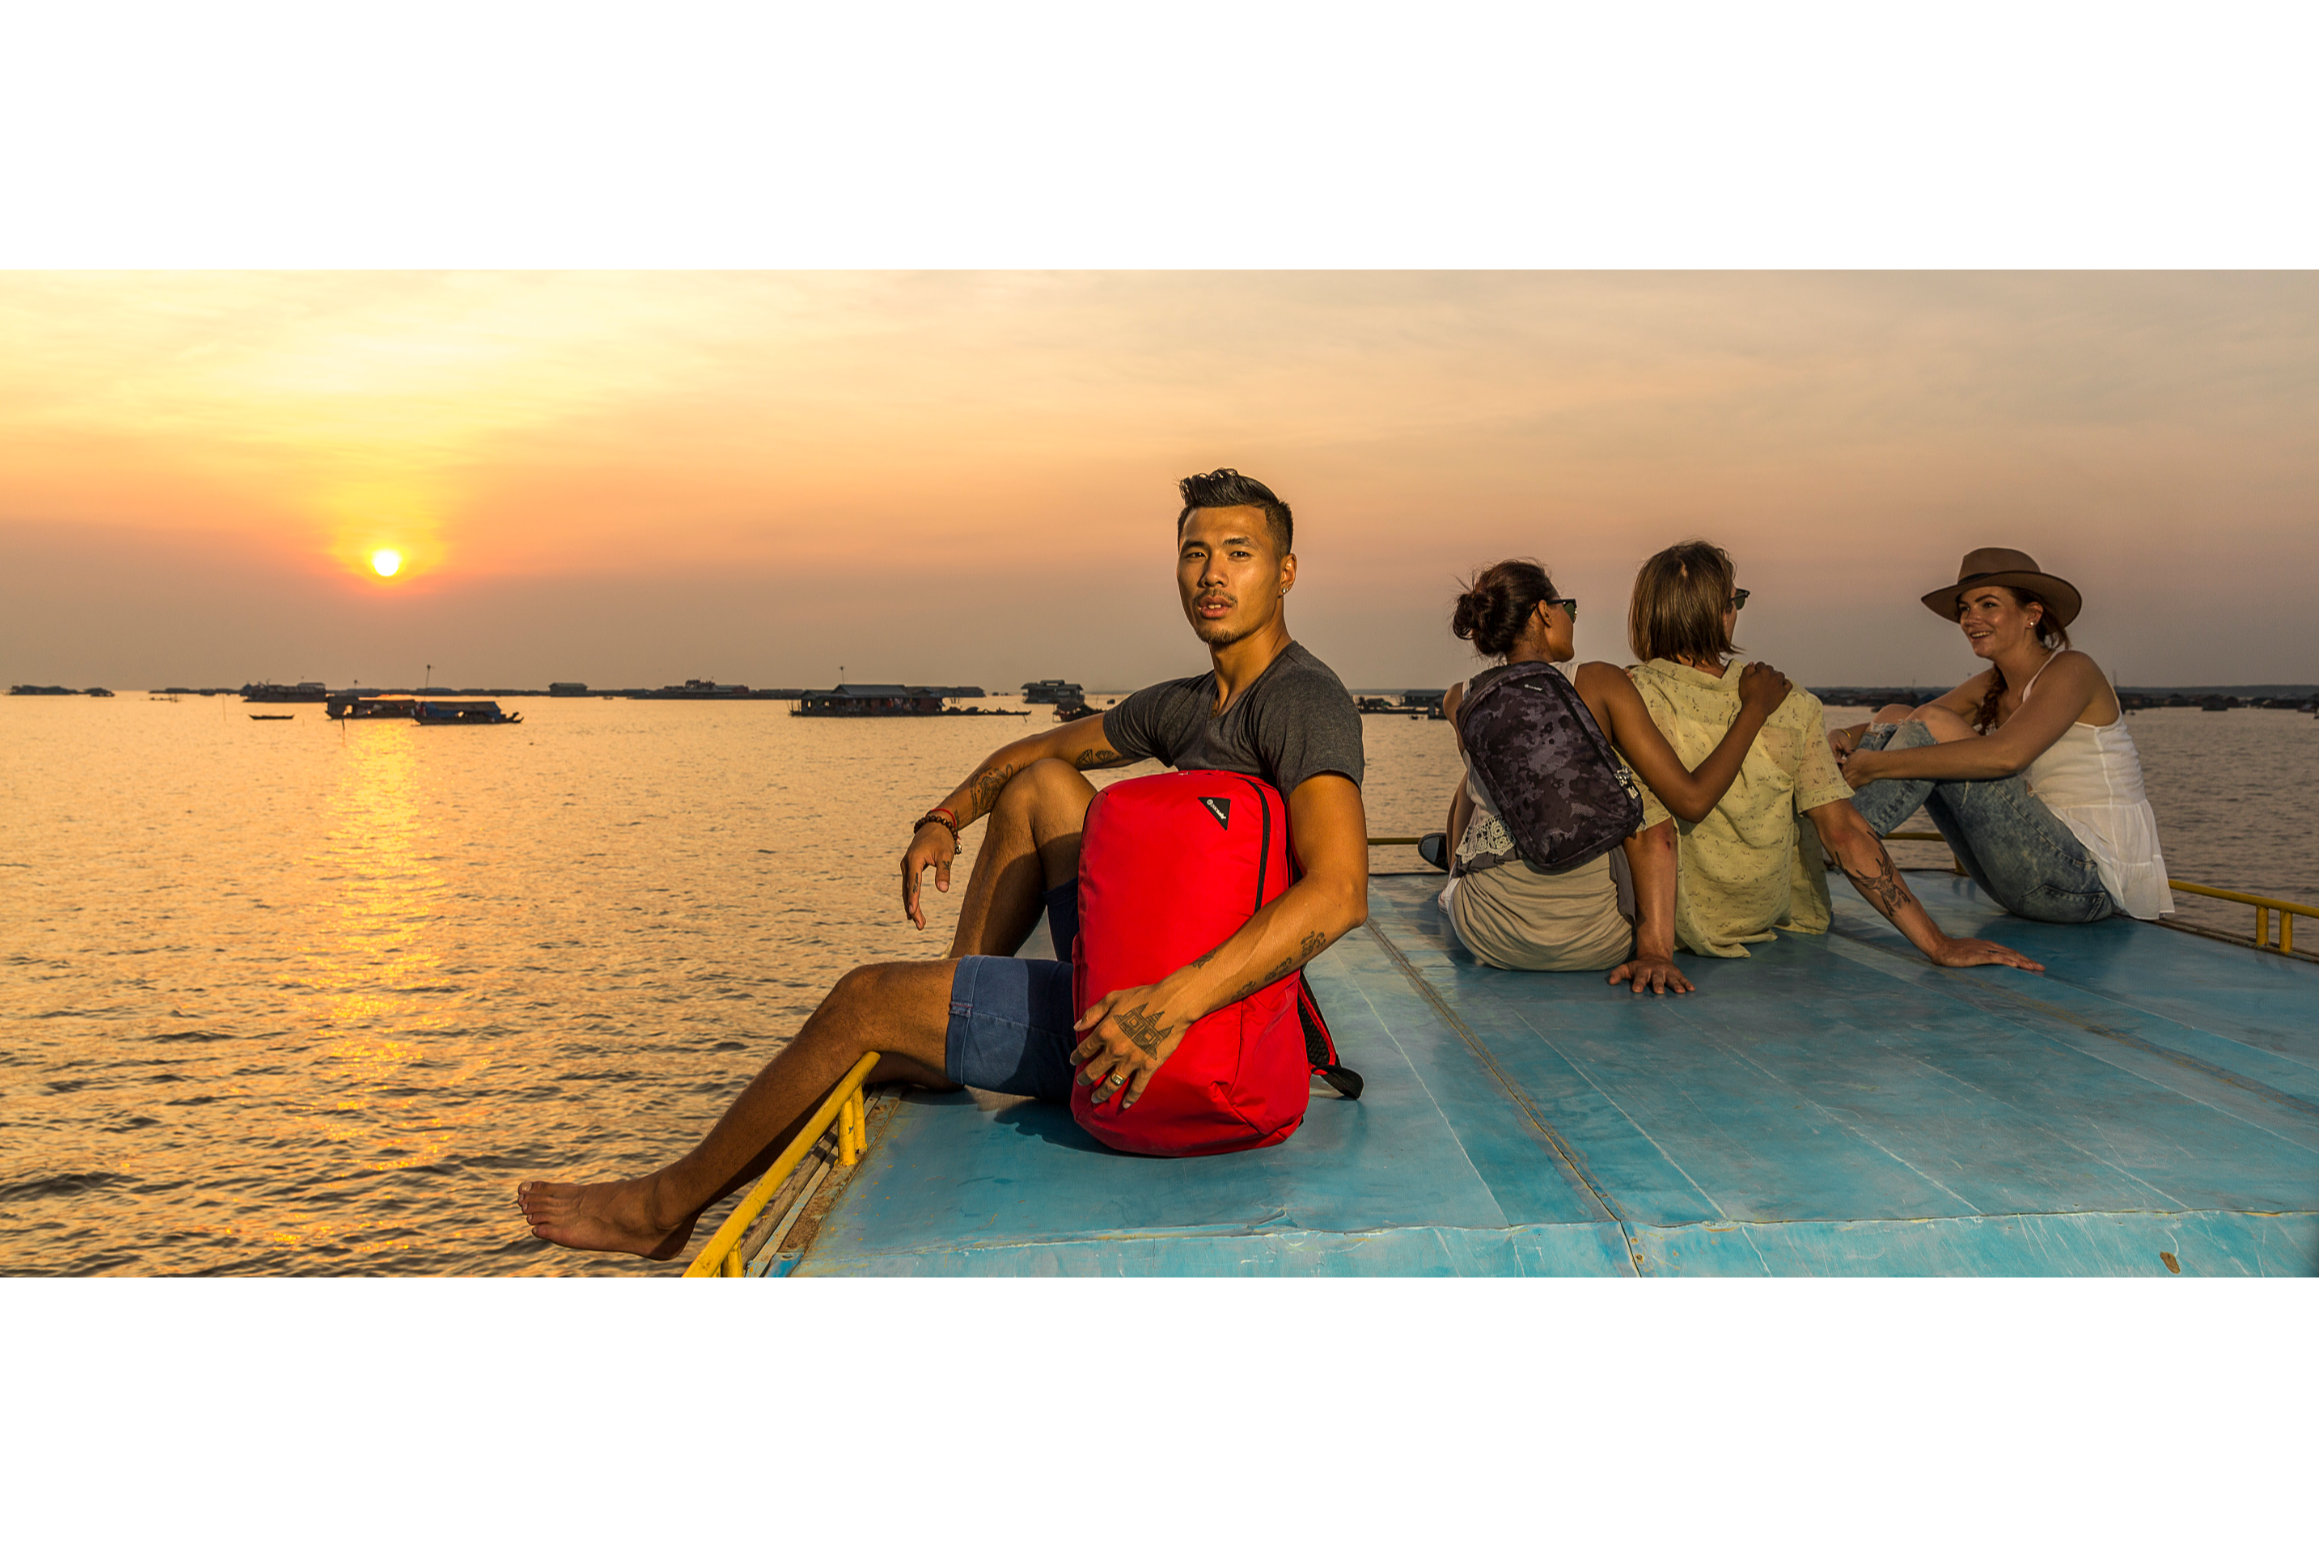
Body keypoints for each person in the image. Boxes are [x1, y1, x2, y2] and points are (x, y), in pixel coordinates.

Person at [516, 469, 1369, 1259]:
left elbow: (1340, 893)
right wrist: (944, 816)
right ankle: (957, 1005)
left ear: (1285, 572)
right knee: (1040, 785)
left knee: (865, 1000)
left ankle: (661, 1209)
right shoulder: (1189, 702)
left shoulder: (1302, 699)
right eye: (1195, 553)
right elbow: (1038, 749)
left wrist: (1166, 1006)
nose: (1212, 574)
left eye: (1239, 554)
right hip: (1141, 972)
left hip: (1190, 1031)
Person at [1626, 539, 2041, 971]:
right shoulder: (1789, 702)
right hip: (1760, 920)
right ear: (1722, 611)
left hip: (1662, 927)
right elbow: (1842, 831)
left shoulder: (1630, 696)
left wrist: (1653, 948)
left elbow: (1652, 832)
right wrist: (1937, 944)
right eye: (1737, 600)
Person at [1426, 559, 1794, 992]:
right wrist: (1755, 708)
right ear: (1546, 612)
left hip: (1485, 931)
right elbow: (1691, 800)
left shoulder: (1460, 699)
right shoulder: (1600, 682)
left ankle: (1449, 875)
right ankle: (1656, 947)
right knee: (1636, 798)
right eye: (1570, 610)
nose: (1571, 621)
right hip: (1597, 938)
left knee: (1477, 774)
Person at [1831, 547, 2172, 924]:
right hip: (2022, 873)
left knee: (1931, 722)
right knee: (1897, 715)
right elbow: (1903, 721)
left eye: (1987, 604)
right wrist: (1846, 733)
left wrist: (1876, 765)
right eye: (1965, 608)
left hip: (2088, 883)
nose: (1970, 618)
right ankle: (1832, 838)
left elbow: (2007, 756)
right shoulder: (1993, 684)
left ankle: (1829, 848)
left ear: (2032, 615)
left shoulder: (2073, 669)